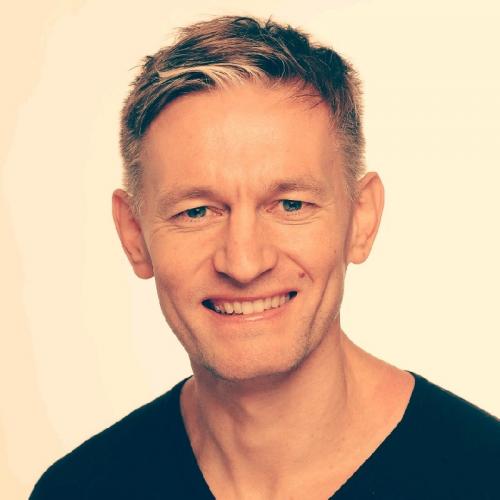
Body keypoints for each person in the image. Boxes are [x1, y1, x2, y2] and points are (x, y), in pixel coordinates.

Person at [30, 15, 498, 500]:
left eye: (291, 205)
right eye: (196, 211)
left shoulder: (486, 475)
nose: (244, 263)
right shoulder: (77, 490)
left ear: (361, 220)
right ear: (134, 234)